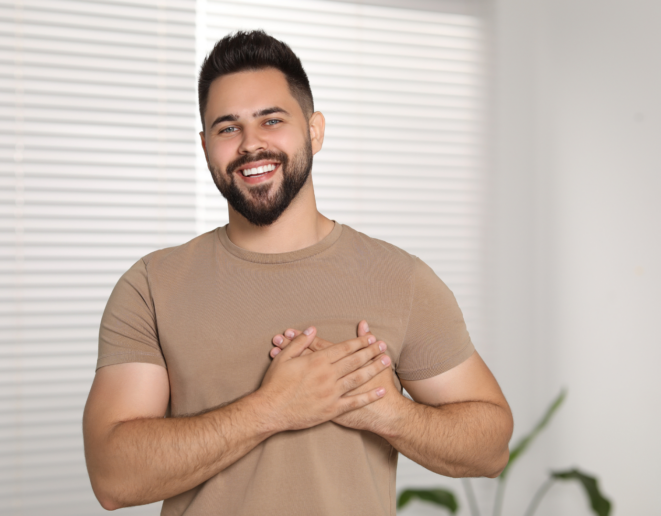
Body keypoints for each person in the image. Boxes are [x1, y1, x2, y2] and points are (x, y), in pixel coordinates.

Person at [83, 30, 513, 516]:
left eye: (272, 120)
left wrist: (389, 414)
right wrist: (273, 408)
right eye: (228, 128)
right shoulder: (151, 286)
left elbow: (491, 446)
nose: (250, 144)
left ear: (314, 131)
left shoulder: (400, 279)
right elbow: (113, 477)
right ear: (205, 146)